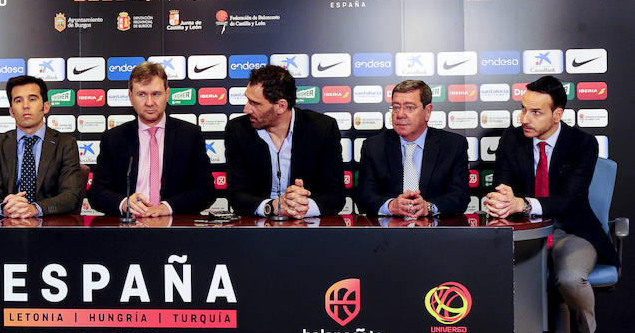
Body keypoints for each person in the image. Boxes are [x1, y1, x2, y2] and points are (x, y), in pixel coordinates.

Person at [485, 75, 618, 333]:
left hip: (571, 231)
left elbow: (569, 200)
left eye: (536, 112)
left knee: (570, 278)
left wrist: (523, 203)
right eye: (523, 109)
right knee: (505, 274)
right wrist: (502, 198)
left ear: (557, 114)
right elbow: (503, 183)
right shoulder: (512, 139)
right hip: (524, 232)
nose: (525, 118)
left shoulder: (582, 143)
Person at [87, 62, 214, 217]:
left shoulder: (190, 135)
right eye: (141, 94)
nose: (149, 102)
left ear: (167, 94)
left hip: (175, 226)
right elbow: (97, 193)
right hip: (128, 228)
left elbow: (206, 190)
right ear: (130, 97)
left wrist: (167, 207)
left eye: (156, 94)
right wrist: (124, 203)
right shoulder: (114, 138)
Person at [225, 65, 345, 218]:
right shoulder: (237, 129)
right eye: (248, 100)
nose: (246, 109)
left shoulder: (323, 128)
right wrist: (271, 207)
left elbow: (336, 196)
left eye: (255, 103)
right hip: (256, 230)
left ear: (281, 106)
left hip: (308, 229)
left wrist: (304, 207)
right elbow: (236, 195)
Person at [356, 79, 469, 217]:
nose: (400, 114)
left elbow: (460, 196)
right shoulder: (374, 146)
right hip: (388, 234)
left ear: (427, 112)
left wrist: (429, 207)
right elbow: (364, 196)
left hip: (436, 234)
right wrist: (391, 206)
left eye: (409, 107)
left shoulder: (453, 145)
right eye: (396, 107)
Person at [0, 75, 83, 217]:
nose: (25, 105)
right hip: (8, 224)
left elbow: (71, 196)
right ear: (11, 111)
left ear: (45, 107)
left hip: (50, 226)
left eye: (32, 99)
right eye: (18, 100)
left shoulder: (65, 144)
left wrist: (35, 208)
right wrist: (4, 208)